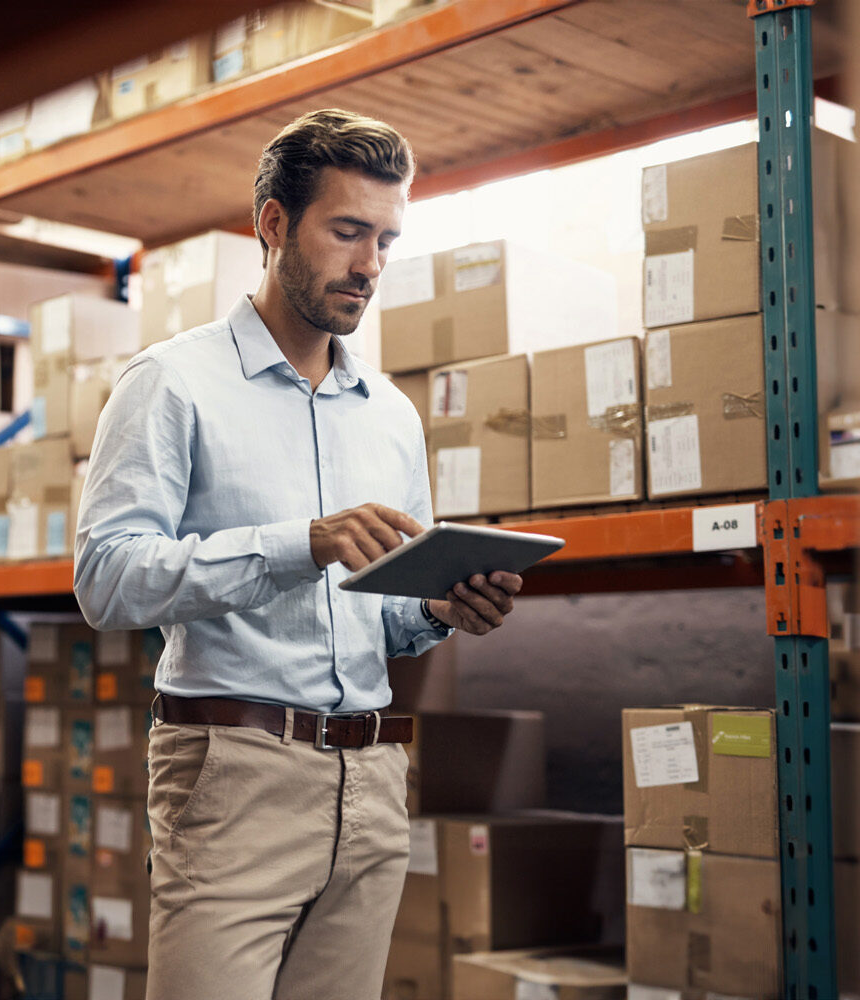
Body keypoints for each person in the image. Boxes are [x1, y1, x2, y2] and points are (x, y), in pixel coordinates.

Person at [73, 108, 524, 999]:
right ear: (274, 225)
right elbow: (108, 579)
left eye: (387, 240)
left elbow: (383, 616)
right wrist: (297, 544)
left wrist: (435, 609)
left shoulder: (391, 414)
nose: (370, 266)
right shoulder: (172, 383)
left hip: (372, 780)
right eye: (348, 231)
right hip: (235, 773)